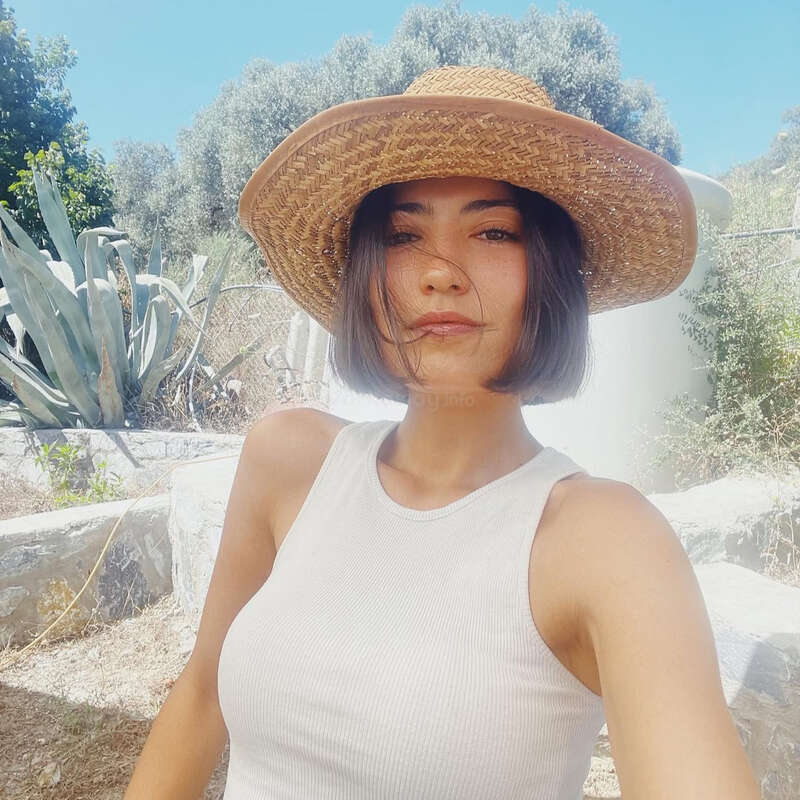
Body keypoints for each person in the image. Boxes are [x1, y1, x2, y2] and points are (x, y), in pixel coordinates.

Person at [124, 66, 760, 799]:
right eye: (402, 235)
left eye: (494, 231)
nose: (439, 272)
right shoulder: (288, 458)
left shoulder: (603, 538)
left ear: (551, 272)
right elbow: (203, 694)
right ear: (365, 271)